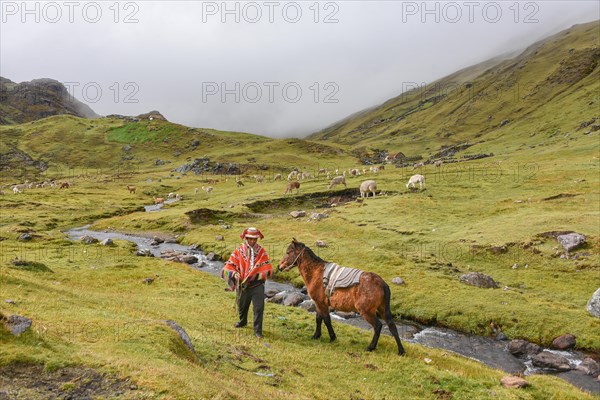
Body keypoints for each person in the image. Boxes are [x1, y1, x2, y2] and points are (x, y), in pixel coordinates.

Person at [220, 227, 273, 338]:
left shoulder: (262, 252)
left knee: (259, 307)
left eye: (255, 239)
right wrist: (234, 274)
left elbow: (267, 267)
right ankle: (242, 321)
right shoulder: (239, 251)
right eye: (250, 239)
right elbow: (230, 265)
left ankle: (258, 331)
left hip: (257, 284)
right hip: (243, 285)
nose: (253, 241)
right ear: (246, 238)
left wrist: (255, 274)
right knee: (242, 306)